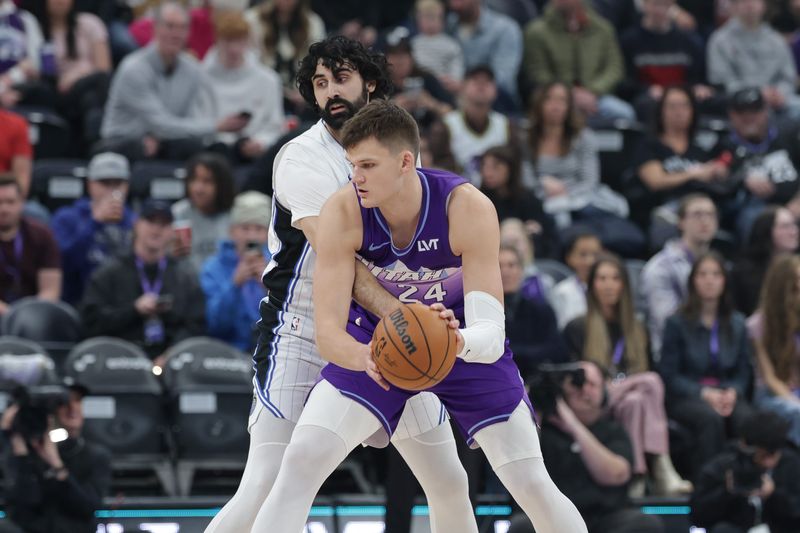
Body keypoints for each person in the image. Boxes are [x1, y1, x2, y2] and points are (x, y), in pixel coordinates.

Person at [252, 99, 588, 532]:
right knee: (301, 460)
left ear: (405, 161)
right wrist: (366, 358)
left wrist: (456, 339)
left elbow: (490, 329)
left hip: (461, 340)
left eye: (368, 165)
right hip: (378, 342)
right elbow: (330, 335)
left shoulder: (466, 207)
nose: (356, 177)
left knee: (529, 481)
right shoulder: (343, 210)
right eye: (353, 165)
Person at [205, 36, 478, 533]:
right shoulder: (301, 158)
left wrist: (431, 311)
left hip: (385, 328)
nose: (330, 91)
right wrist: (407, 314)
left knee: (447, 479)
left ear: (370, 82)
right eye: (320, 83)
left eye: (342, 78)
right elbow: (340, 262)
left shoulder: (397, 148)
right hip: (306, 328)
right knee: (266, 483)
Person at [564, 253, 692, 496]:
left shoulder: (637, 328)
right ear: (592, 285)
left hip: (628, 400)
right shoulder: (578, 327)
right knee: (651, 381)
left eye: (615, 278)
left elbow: (647, 368)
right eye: (602, 279)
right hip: (595, 401)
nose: (609, 285)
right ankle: (661, 464)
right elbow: (577, 380)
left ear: (624, 285)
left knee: (636, 401)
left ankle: (637, 476)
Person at [508, 361, 664, 533]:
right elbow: (520, 462)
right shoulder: (544, 428)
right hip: (552, 517)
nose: (584, 390)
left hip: (603, 518)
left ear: (603, 391)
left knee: (645, 524)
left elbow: (617, 475)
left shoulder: (613, 430)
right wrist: (532, 406)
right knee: (521, 526)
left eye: (592, 384)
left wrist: (572, 424)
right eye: (577, 383)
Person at [99, 2, 248, 161]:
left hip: (165, 140)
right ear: (155, 28)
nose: (177, 34)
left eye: (182, 28)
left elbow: (193, 117)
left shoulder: (193, 69)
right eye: (170, 26)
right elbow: (161, 124)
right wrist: (216, 126)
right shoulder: (134, 69)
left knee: (204, 150)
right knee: (141, 147)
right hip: (122, 142)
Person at [659, 252, 755, 479]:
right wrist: (704, 393)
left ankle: (747, 482)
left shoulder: (738, 322)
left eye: (716, 274)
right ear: (693, 280)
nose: (709, 280)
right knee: (709, 419)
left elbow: (743, 371)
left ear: (724, 280)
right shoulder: (676, 322)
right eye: (703, 274)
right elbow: (669, 374)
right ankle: (709, 483)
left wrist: (733, 391)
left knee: (747, 419)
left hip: (727, 391)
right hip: (688, 396)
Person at [527, 81, 643, 257]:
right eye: (549, 99)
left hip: (580, 199)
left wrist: (565, 192)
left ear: (569, 106)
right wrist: (543, 184)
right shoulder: (525, 137)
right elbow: (523, 179)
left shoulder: (584, 137)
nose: (555, 106)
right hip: (540, 199)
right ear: (539, 104)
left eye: (561, 100)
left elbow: (590, 181)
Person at [79, 199, 206, 360]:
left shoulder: (185, 277)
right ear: (136, 224)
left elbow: (196, 326)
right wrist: (133, 310)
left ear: (173, 231)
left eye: (164, 224)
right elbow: (91, 323)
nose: (156, 229)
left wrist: (172, 354)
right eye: (151, 221)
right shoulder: (109, 273)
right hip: (117, 359)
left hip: (171, 361)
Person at [1, 379, 112, 533]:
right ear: (49, 414)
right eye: (64, 403)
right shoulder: (22, 453)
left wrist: (56, 465)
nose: (72, 408)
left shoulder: (95, 455)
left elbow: (87, 508)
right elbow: (20, 509)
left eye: (78, 401)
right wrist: (20, 451)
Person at [631, 86, 728, 247]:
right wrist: (693, 174)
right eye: (672, 106)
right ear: (661, 111)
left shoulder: (699, 150)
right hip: (663, 207)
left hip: (700, 206)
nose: (679, 112)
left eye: (684, 106)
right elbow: (655, 181)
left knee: (707, 212)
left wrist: (718, 172)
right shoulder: (649, 145)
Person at [522, 0, 634, 120]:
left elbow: (614, 68)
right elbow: (538, 72)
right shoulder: (537, 31)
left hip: (595, 97)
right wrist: (568, 94)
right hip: (553, 97)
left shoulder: (602, 29)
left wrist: (594, 91)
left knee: (624, 113)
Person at [690, 410, 800, 533]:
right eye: (762, 456)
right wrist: (726, 492)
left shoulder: (792, 464)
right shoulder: (722, 466)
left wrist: (774, 495)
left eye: (772, 454)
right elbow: (697, 516)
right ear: (746, 448)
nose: (768, 462)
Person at [714, 88, 800, 240]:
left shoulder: (789, 135)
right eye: (742, 113)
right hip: (756, 210)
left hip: (793, 200)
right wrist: (742, 178)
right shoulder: (725, 145)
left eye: (754, 112)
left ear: (766, 111)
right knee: (752, 219)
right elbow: (720, 181)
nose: (748, 118)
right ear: (731, 115)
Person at [50, 151, 135, 305]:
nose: (111, 190)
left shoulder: (136, 221)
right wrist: (94, 222)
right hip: (78, 301)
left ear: (127, 186)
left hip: (126, 304)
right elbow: (61, 265)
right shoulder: (67, 218)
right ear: (90, 184)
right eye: (105, 183)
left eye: (118, 183)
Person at [26, 0, 112, 150]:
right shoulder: (37, 30)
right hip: (58, 90)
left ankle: (94, 142)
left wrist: (77, 74)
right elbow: (41, 70)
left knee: (94, 93)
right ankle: (95, 143)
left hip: (89, 86)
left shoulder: (90, 23)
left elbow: (104, 68)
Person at [641, 193, 718, 357]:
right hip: (675, 355)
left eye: (710, 215)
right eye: (697, 214)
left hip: (716, 353)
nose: (705, 221)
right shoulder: (660, 267)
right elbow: (666, 323)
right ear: (681, 222)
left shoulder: (721, 265)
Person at [203, 10, 285, 164]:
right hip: (213, 155)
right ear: (217, 40)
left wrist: (261, 142)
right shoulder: (201, 79)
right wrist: (218, 128)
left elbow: (275, 125)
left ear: (247, 41)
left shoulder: (268, 80)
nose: (234, 49)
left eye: (239, 41)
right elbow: (195, 125)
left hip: (256, 157)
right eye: (228, 41)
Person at [619, 0, 714, 121]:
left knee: (712, 102)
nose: (660, 11)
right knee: (646, 105)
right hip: (649, 99)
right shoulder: (628, 41)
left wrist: (700, 87)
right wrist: (647, 90)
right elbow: (623, 83)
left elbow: (700, 78)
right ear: (644, 5)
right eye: (656, 4)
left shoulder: (689, 41)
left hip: (684, 94)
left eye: (665, 5)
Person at [200, 191, 271, 352]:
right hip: (228, 352)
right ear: (232, 231)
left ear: (268, 234)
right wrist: (234, 284)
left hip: (271, 350)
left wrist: (271, 287)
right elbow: (215, 325)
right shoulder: (213, 268)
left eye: (259, 229)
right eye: (245, 228)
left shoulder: (278, 265)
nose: (251, 236)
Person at [707, 0, 800, 118]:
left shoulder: (776, 40)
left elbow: (788, 78)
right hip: (739, 104)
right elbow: (721, 83)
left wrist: (779, 94)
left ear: (764, 5)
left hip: (777, 103)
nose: (749, 5)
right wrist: (758, 93)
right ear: (733, 6)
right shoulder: (719, 40)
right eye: (743, 1)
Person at [747, 255, 800, 446]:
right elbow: (769, 378)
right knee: (797, 412)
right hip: (771, 395)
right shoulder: (757, 325)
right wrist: (793, 398)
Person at [244, 0, 326, 116]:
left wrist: (306, 91)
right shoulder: (252, 20)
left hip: (302, 98)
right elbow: (249, 63)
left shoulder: (313, 23)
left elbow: (318, 63)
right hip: (261, 95)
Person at [501, 244, 568, 379]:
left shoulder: (541, 310)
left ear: (521, 270)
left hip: (538, 382)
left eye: (511, 265)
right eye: (499, 266)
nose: (505, 272)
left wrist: (511, 352)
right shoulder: (481, 313)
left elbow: (557, 351)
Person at [480, 145, 557, 260]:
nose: (488, 173)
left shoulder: (529, 200)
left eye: (496, 167)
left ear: (511, 168)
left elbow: (546, 235)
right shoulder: (478, 200)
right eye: (484, 166)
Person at [441, 65, 516, 182]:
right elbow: (438, 169)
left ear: (496, 91)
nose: (481, 85)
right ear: (463, 88)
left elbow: (517, 167)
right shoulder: (446, 124)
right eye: (475, 80)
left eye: (487, 81)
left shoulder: (506, 125)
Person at [0, 175, 61, 314]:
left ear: (22, 203)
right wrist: (10, 314)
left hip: (34, 317)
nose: (4, 209)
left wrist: (29, 314)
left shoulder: (42, 236)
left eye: (10, 202)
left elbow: (51, 290)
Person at [445, 0, 523, 102]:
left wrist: (463, 86)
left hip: (497, 104)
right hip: (450, 103)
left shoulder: (505, 29)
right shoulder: (445, 25)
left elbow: (503, 80)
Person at [171, 152, 236, 273]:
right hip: (187, 286)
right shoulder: (177, 213)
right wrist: (169, 254)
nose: (198, 188)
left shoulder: (235, 215)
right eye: (194, 180)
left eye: (207, 181)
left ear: (222, 185)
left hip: (226, 285)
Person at [732, 206, 799, 315]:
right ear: (766, 230)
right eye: (785, 226)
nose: (794, 231)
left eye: (794, 225)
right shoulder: (744, 271)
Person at [549, 229, 602, 329]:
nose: (590, 261)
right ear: (569, 258)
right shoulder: (562, 292)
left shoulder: (609, 287)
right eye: (583, 254)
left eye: (596, 254)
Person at [411, 0, 464, 93]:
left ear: (442, 20)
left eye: (434, 17)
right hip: (419, 87)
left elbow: (457, 69)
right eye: (426, 17)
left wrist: (455, 79)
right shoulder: (413, 44)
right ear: (418, 20)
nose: (430, 22)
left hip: (443, 87)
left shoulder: (451, 45)